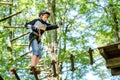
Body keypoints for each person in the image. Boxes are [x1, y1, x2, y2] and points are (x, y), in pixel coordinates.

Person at [24, 10, 62, 74]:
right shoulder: (36, 21)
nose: (46, 18)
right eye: (45, 17)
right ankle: (32, 67)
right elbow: (26, 25)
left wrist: (58, 25)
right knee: (35, 51)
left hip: (38, 39)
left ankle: (33, 68)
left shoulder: (45, 25)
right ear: (41, 16)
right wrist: (32, 26)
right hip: (33, 36)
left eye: (47, 17)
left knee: (40, 55)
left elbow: (51, 26)